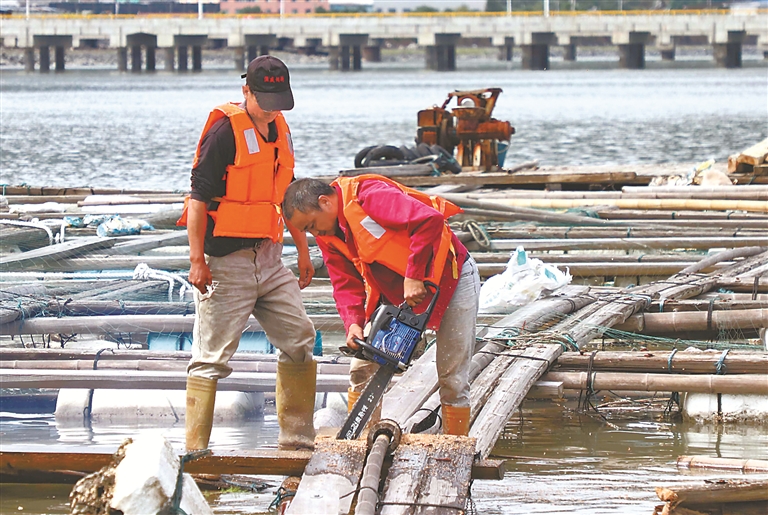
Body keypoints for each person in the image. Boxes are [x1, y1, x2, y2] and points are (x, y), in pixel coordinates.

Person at [178, 56, 317, 451]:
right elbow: (199, 200)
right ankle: (196, 457)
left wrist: (303, 252)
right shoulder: (224, 131)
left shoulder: (281, 130)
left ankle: (296, 443)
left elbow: (288, 196)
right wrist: (196, 261)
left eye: (279, 100)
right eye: (265, 99)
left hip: (269, 257)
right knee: (210, 358)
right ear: (246, 92)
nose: (272, 108)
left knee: (299, 339)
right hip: (224, 261)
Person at [282, 174, 480, 436]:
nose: (314, 233)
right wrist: (353, 323)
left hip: (450, 279)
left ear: (325, 203)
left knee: (452, 376)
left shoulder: (369, 196)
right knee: (362, 368)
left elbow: (428, 220)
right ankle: (360, 441)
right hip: (396, 294)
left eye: (311, 225)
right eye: (308, 231)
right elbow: (345, 283)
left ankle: (455, 445)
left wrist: (414, 274)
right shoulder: (328, 235)